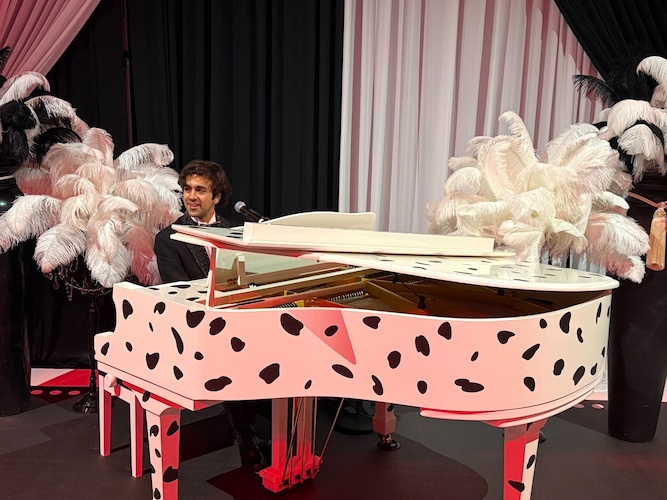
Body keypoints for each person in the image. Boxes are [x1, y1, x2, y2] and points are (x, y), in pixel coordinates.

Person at [154, 159, 268, 471]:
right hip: (194, 324)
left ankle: (259, 426)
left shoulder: (236, 231)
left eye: (201, 190)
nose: (191, 196)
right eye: (187, 189)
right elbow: (178, 290)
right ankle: (246, 434)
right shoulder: (168, 238)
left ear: (217, 196)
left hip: (237, 317)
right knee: (236, 353)